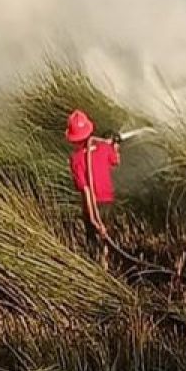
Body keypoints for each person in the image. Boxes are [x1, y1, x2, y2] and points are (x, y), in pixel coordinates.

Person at [67, 109, 120, 262]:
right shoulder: (104, 148)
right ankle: (106, 263)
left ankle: (97, 267)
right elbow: (116, 161)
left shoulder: (76, 160)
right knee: (106, 237)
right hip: (107, 202)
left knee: (93, 241)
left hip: (92, 205)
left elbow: (86, 192)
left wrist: (93, 221)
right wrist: (114, 147)